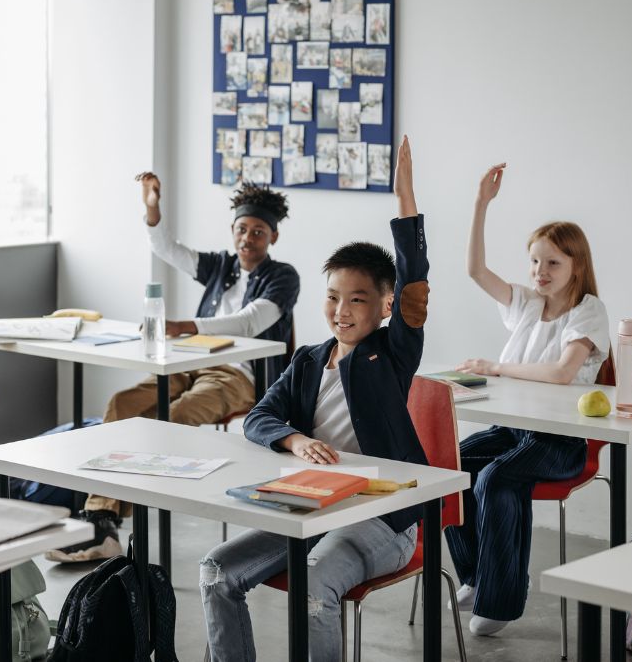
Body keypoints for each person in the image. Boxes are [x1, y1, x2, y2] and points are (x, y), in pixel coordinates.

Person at [200, 136, 426, 661]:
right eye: (332, 297)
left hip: (383, 517)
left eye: (358, 299)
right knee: (216, 572)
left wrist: (405, 201)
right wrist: (296, 440)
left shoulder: (392, 354)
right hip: (309, 507)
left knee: (313, 586)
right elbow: (259, 416)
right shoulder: (307, 360)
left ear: (386, 305)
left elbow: (415, 281)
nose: (342, 310)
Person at [47, 174, 300, 563]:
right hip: (189, 362)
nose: (248, 238)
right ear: (233, 231)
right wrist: (152, 207)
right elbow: (167, 248)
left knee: (175, 415)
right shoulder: (221, 266)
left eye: (259, 232)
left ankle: (103, 519)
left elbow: (251, 321)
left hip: (239, 376)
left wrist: (185, 326)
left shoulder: (283, 277)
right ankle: (102, 519)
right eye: (242, 229)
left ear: (273, 237)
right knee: (124, 402)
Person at [445, 163, 610, 636]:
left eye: (553, 263)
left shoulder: (589, 312)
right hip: (514, 428)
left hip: (561, 440)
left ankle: (499, 603)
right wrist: (481, 204)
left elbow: (561, 373)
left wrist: (495, 368)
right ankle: (477, 576)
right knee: (448, 467)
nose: (540, 272)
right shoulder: (526, 304)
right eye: (535, 261)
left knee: (497, 479)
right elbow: (475, 269)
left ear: (577, 265)